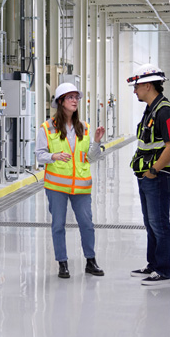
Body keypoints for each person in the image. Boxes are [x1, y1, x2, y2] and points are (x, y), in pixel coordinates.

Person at [36, 82, 105, 279]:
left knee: (87, 223)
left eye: (76, 97)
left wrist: (98, 142)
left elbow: (91, 157)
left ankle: (90, 261)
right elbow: (39, 154)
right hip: (57, 186)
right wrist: (53, 156)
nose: (75, 100)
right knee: (58, 225)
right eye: (70, 97)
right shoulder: (47, 128)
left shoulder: (84, 127)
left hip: (81, 185)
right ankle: (62, 263)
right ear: (61, 101)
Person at [127, 64, 170, 287]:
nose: (135, 91)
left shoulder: (164, 111)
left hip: (158, 177)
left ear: (148, 85)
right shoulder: (151, 109)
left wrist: (153, 171)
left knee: (159, 224)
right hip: (147, 177)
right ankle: (153, 264)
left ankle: (163, 269)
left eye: (137, 86)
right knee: (150, 223)